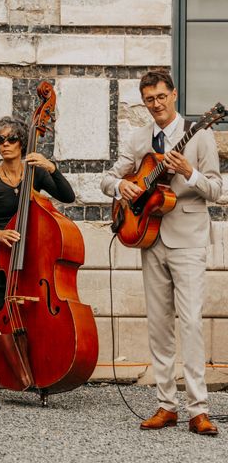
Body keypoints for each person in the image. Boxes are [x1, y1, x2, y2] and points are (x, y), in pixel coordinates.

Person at [101, 70, 221, 436]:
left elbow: (216, 189)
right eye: (149, 99)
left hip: (187, 238)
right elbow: (107, 178)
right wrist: (124, 186)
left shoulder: (201, 135)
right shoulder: (139, 138)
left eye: (161, 97)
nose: (156, 104)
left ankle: (198, 409)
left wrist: (189, 172)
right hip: (147, 237)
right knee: (158, 325)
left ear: (174, 95)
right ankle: (166, 405)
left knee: (191, 322)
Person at [0, 116, 75, 404]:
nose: (5, 144)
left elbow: (68, 196)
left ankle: (38, 372)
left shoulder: (34, 174)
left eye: (11, 139)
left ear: (22, 142)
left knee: (33, 314)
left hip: (31, 257)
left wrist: (51, 167)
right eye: (0, 140)